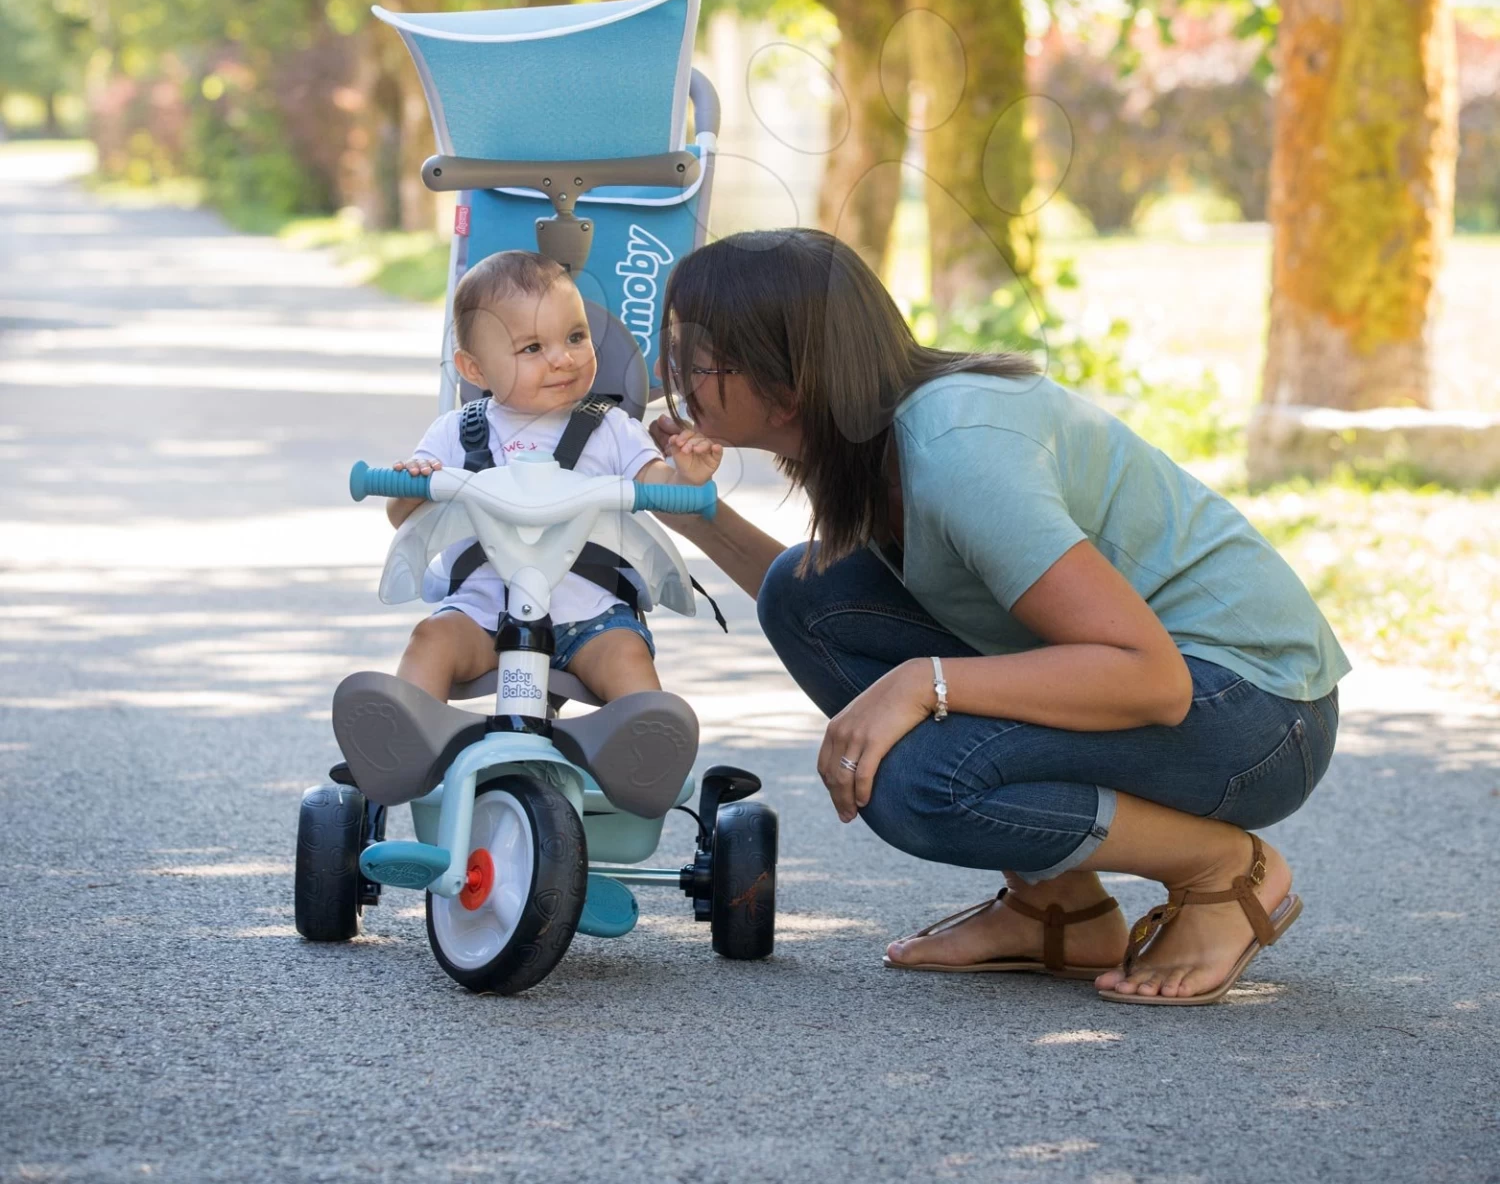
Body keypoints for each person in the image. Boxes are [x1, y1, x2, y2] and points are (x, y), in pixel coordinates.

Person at [649, 229, 1345, 1006]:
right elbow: (826, 608)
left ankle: (1221, 871)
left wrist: (923, 682)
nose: (677, 377)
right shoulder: (865, 441)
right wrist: (695, 511)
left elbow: (1155, 680)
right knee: (799, 592)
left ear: (791, 381)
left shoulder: (955, 452)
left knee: (919, 780)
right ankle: (1059, 905)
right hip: (1186, 686)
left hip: (1256, 712)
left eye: (700, 358)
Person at [387, 250, 721, 706]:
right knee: (430, 639)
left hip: (591, 616)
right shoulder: (455, 432)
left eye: (576, 336)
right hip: (484, 611)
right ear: (475, 369)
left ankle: (644, 750)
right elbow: (400, 516)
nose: (563, 359)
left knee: (627, 656)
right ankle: (404, 739)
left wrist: (688, 475)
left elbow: (662, 490)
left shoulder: (612, 428)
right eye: (532, 348)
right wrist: (414, 486)